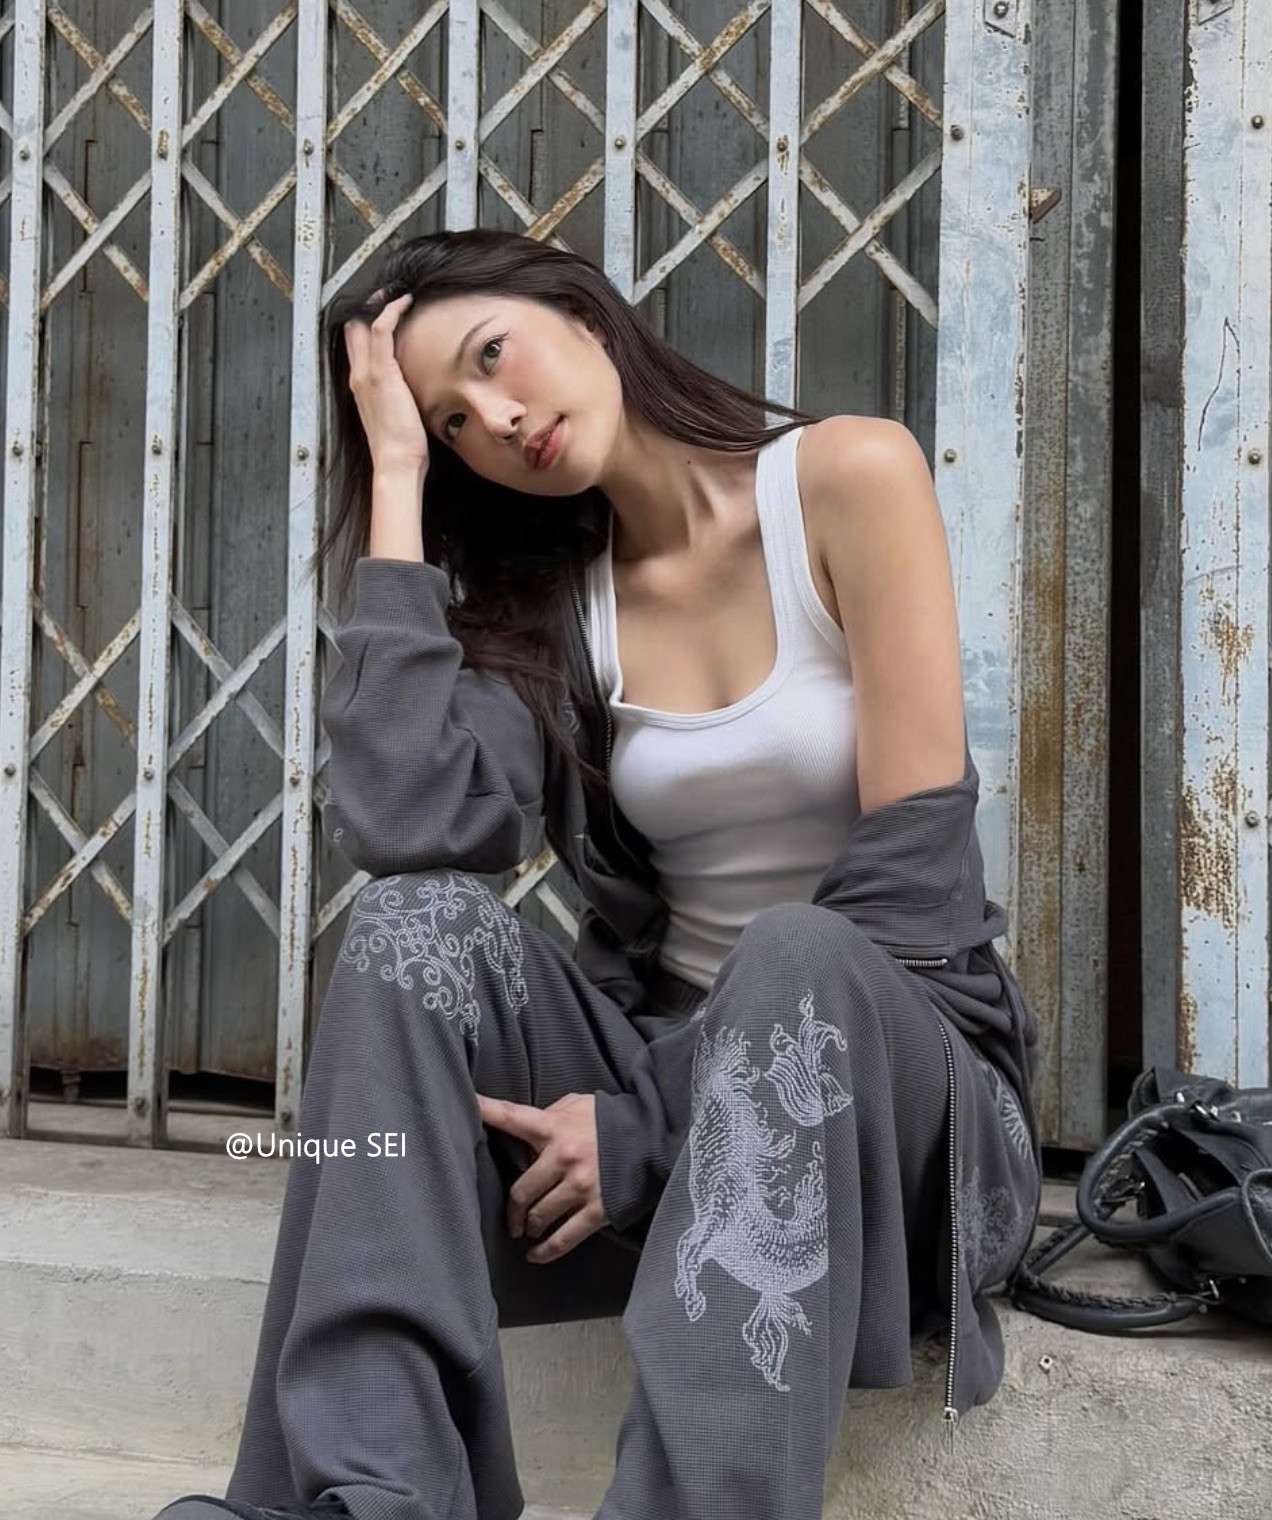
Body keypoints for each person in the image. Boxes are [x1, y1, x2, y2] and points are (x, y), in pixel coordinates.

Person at [154, 228, 1041, 1520]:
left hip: (896, 1121)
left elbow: (909, 902)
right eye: (453, 423)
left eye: (492, 357)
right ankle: (371, 1495)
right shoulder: (559, 604)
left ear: (578, 307)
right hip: (652, 1109)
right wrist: (395, 484)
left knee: (799, 947)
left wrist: (642, 1125)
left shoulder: (850, 478)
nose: (500, 420)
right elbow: (409, 823)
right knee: (411, 924)